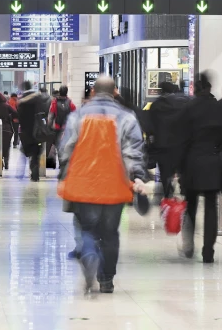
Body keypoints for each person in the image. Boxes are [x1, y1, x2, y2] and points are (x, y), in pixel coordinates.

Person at [58, 76, 146, 294]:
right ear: (115, 91)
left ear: (92, 92)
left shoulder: (77, 116)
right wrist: (137, 176)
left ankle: (89, 255)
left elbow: (65, 150)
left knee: (87, 228)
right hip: (115, 185)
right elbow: (133, 151)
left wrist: (65, 174)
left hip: (83, 183)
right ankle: (106, 280)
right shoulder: (127, 117)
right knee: (110, 233)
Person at [178, 73, 222, 264]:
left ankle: (188, 244)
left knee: (190, 205)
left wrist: (177, 166)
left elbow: (180, 138)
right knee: (211, 206)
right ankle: (208, 251)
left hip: (191, 162)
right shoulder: (218, 109)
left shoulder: (188, 108)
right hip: (213, 161)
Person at [145, 82, 189, 198]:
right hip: (179, 143)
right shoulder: (181, 104)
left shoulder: (155, 105)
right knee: (181, 168)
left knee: (165, 171)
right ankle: (184, 188)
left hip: (162, 144)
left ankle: (167, 190)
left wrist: (151, 138)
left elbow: (150, 126)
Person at [17, 81, 43, 182]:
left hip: (26, 131)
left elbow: (19, 117)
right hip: (38, 130)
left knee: (26, 151)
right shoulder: (38, 98)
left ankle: (22, 172)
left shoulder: (21, 101)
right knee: (36, 153)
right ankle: (35, 173)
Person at [47, 85, 77, 163]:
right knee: (66, 146)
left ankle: (61, 162)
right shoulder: (70, 102)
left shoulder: (55, 102)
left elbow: (51, 115)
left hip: (57, 127)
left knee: (58, 145)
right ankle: (65, 162)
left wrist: (49, 127)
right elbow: (75, 114)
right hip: (67, 128)